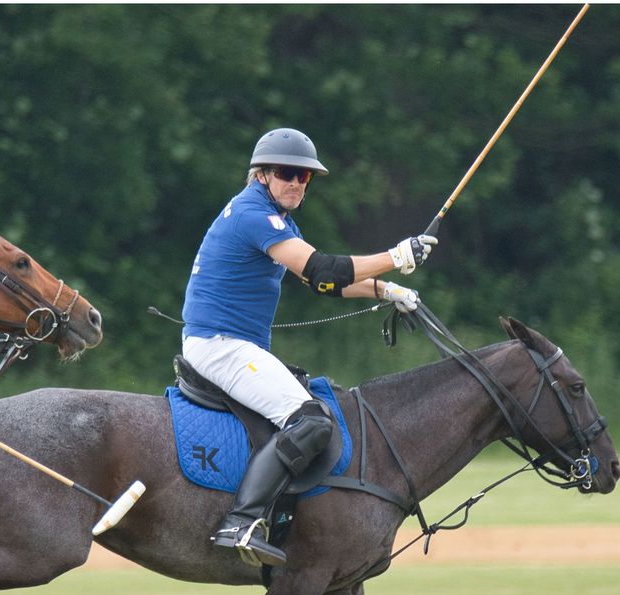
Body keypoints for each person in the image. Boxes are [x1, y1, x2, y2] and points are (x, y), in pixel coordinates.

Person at [180, 128, 437, 567]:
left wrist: (387, 290)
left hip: (231, 344)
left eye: (305, 176)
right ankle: (239, 523)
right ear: (261, 175)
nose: (297, 182)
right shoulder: (252, 214)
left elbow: (320, 282)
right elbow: (321, 266)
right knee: (311, 422)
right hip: (220, 346)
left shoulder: (275, 219)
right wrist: (397, 255)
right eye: (287, 173)